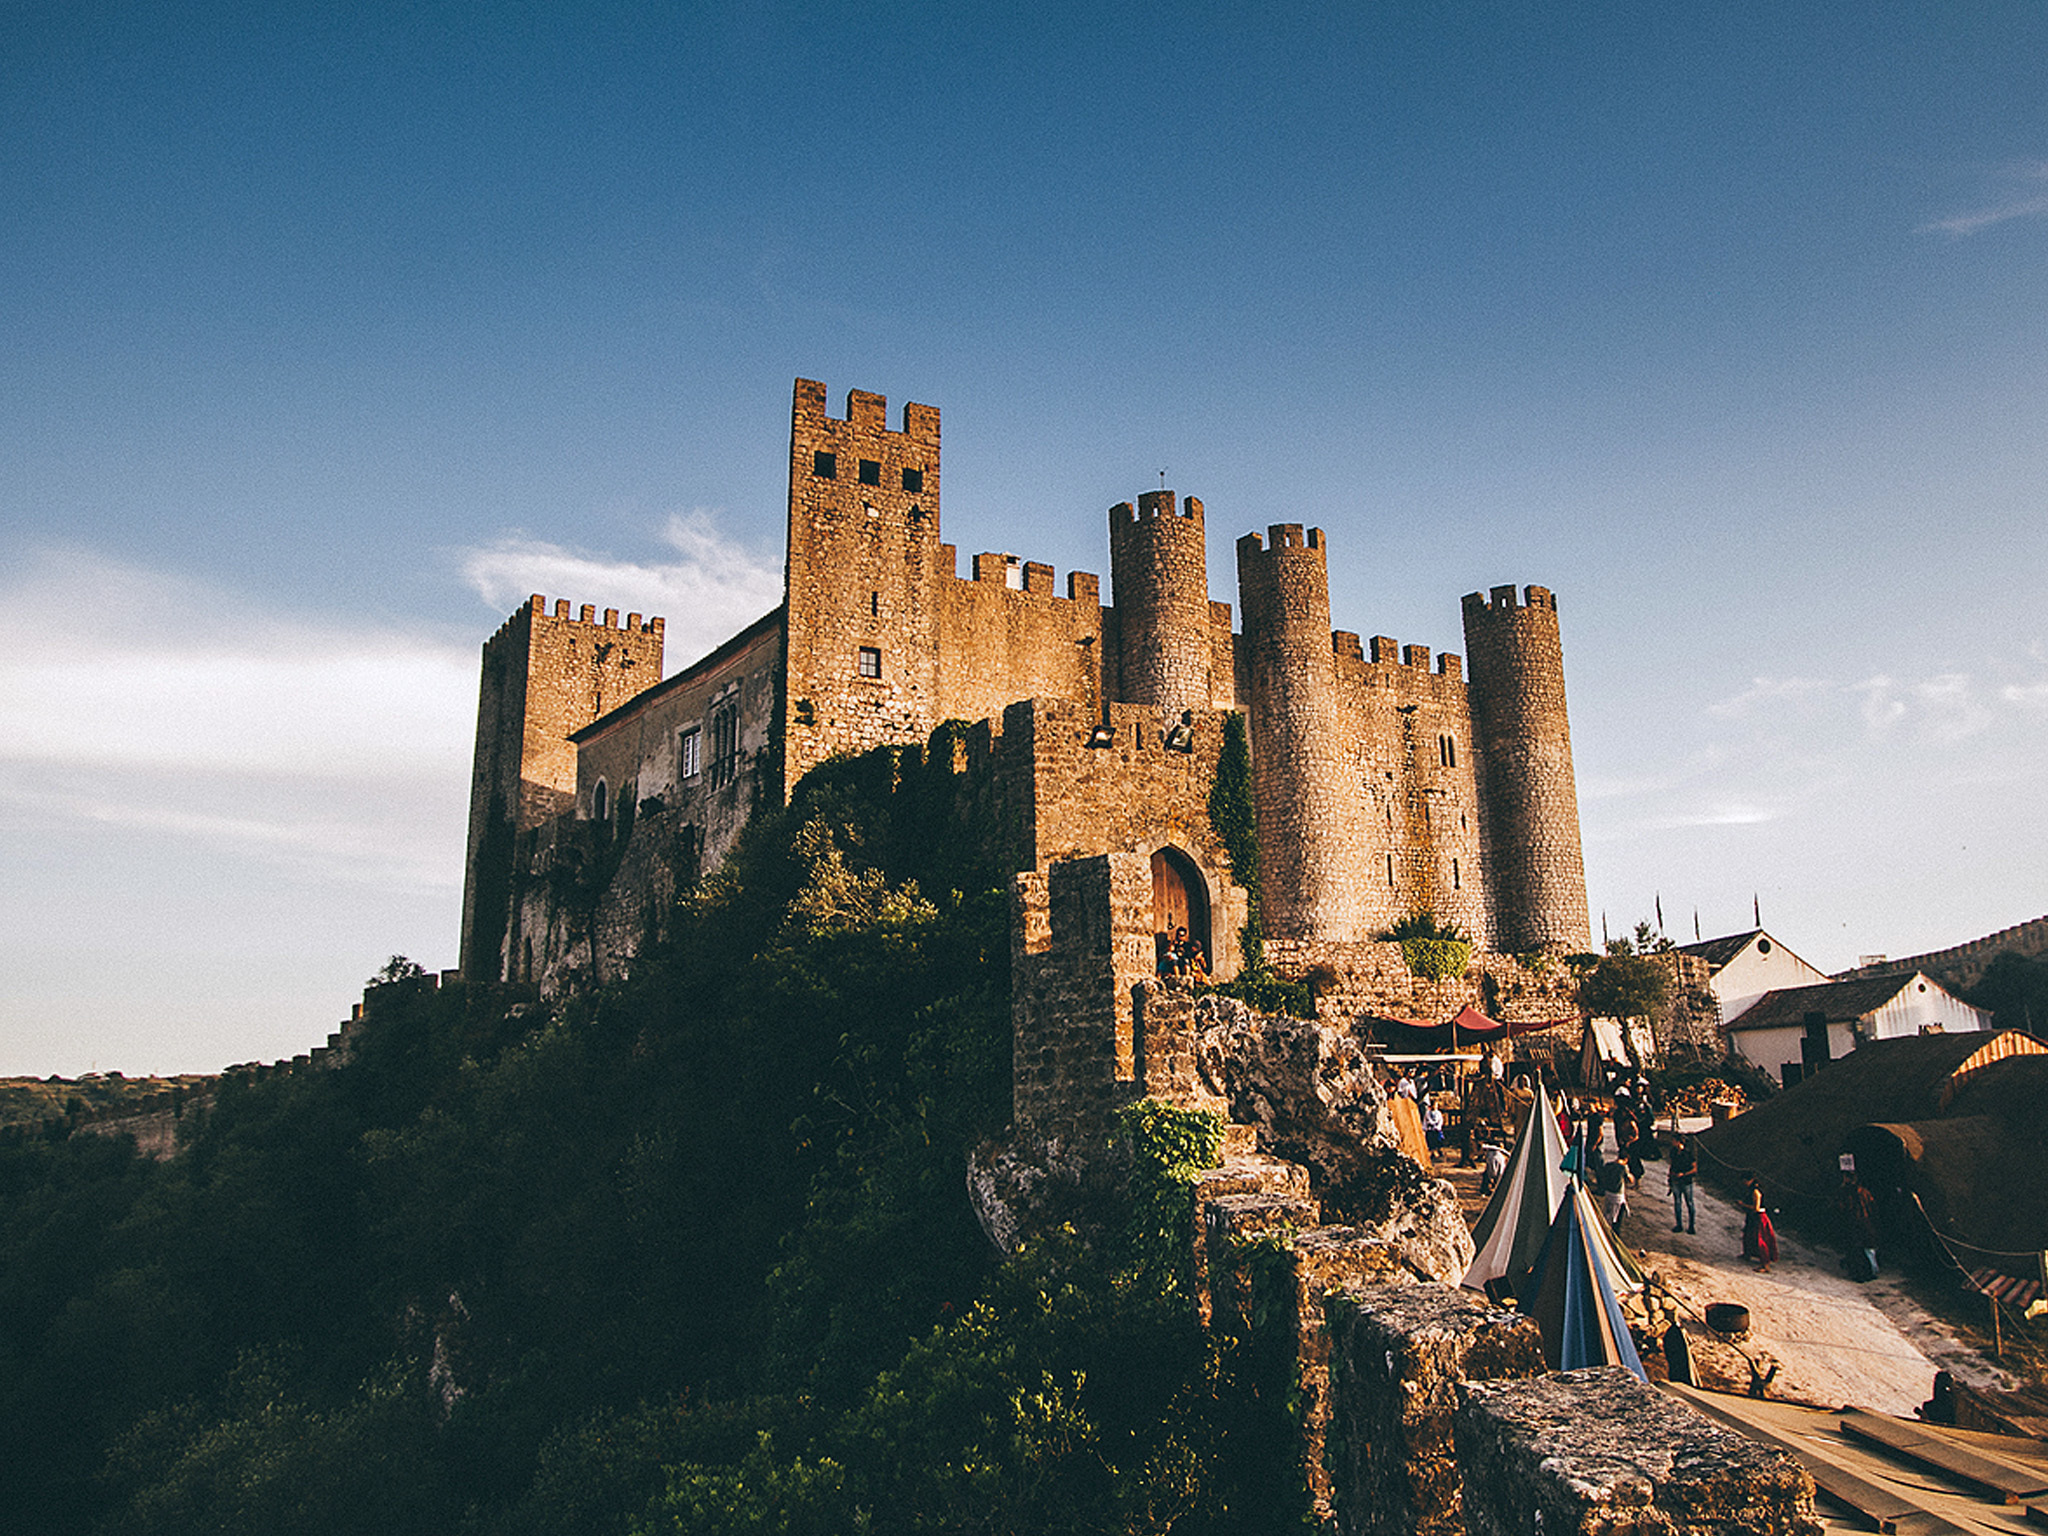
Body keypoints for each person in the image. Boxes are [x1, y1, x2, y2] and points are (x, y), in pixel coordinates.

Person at [1743, 1177, 1777, 1272]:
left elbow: (1756, 1208)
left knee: (1761, 1240)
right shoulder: (1752, 1191)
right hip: (1754, 1217)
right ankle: (1748, 1254)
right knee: (1749, 1235)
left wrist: (1743, 1205)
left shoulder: (1756, 1192)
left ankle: (1765, 1265)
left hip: (1759, 1217)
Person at [1668, 1135, 1698, 1235]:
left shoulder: (1688, 1154)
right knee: (1677, 1203)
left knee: (1689, 1204)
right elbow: (1671, 1165)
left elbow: (1694, 1169)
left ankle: (1691, 1226)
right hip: (1676, 1180)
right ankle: (1679, 1224)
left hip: (1686, 1181)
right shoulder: (1673, 1152)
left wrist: (1684, 1174)